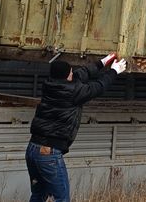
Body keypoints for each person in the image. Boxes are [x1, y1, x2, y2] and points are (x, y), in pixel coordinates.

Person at [26, 53, 127, 202]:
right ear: (67, 76)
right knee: (62, 198)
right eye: (71, 73)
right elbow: (98, 87)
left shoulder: (49, 84)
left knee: (38, 195)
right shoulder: (73, 92)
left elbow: (82, 73)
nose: (73, 74)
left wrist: (102, 62)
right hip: (48, 153)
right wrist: (114, 71)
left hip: (32, 149)